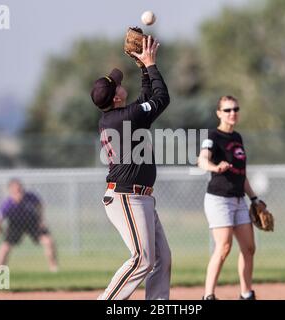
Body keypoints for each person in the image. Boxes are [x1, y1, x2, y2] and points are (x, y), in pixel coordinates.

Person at [90, 35, 171, 300]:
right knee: (142, 259)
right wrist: (151, 65)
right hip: (126, 197)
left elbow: (146, 100)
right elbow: (161, 98)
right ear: (116, 98)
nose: (121, 85)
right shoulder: (126, 117)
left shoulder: (119, 117)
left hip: (140, 197)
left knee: (161, 258)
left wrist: (143, 70)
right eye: (118, 85)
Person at [198, 95, 260, 300]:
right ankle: (208, 295)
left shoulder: (237, 138)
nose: (232, 113)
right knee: (224, 247)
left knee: (249, 248)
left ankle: (246, 293)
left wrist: (255, 198)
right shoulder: (213, 137)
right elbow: (202, 160)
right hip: (219, 199)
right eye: (227, 110)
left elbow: (241, 175)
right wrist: (215, 167)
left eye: (235, 109)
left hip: (239, 199)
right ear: (219, 113)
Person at [0, 178, 58, 272]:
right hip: (15, 225)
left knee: (48, 241)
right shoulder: (7, 204)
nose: (19, 192)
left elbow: (40, 205)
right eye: (16, 190)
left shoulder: (30, 197)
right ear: (10, 191)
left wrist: (41, 220)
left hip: (33, 223)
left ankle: (54, 269)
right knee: (5, 248)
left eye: (20, 189)